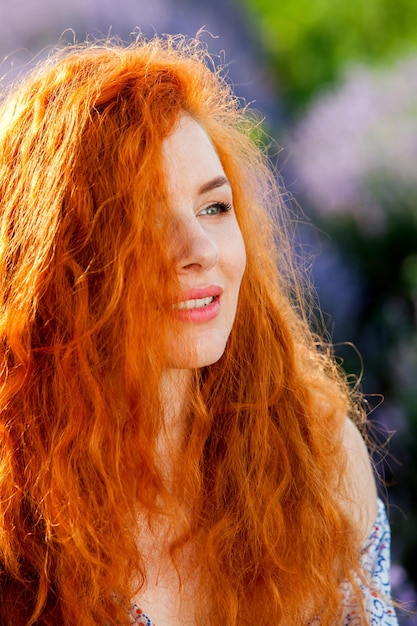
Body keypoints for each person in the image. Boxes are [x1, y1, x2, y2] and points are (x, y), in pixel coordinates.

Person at [0, 35, 398, 626]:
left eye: (214, 208)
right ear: (60, 258)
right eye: (144, 221)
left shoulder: (319, 455)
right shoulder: (15, 508)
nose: (199, 251)